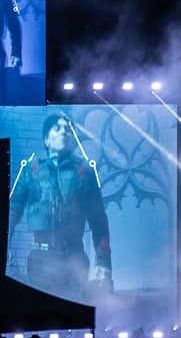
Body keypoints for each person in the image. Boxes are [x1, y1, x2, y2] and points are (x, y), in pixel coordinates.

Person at [8, 112, 111, 300]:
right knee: (43, 309)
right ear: (46, 140)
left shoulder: (85, 172)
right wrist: (3, 247)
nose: (64, 132)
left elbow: (99, 221)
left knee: (72, 309)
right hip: (41, 259)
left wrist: (103, 260)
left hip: (74, 256)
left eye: (68, 130)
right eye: (57, 128)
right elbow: (12, 212)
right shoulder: (30, 170)